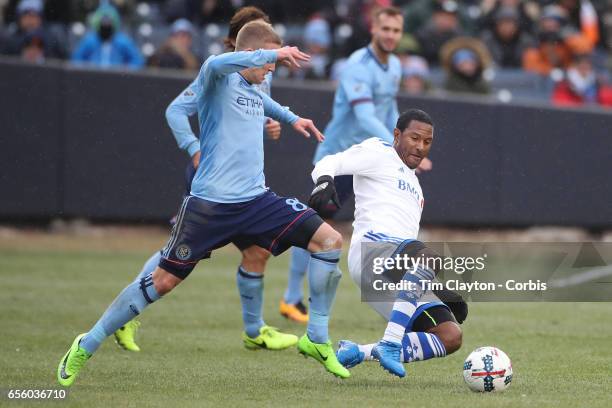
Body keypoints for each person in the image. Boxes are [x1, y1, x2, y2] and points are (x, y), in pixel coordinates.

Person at [57, 21, 351, 388]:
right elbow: (214, 65)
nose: (272, 70)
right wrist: (276, 52)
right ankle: (87, 342)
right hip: (209, 206)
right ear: (250, 53)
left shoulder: (252, 87)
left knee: (329, 241)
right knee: (162, 281)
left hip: (256, 200)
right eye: (268, 62)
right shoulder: (215, 77)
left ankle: (317, 338)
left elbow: (264, 102)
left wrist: (293, 118)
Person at [112, 6, 292, 355]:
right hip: (212, 178)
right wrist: (194, 148)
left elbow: (253, 110)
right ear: (243, 41)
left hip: (245, 185)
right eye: (262, 40)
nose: (269, 51)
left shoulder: (262, 75)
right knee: (175, 256)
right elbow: (176, 110)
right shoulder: (220, 72)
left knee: (257, 252)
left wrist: (268, 125)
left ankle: (255, 331)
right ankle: (126, 315)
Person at [285, 7, 433, 326]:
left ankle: (389, 294)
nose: (391, 35)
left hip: (373, 161)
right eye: (386, 29)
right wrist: (399, 149)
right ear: (373, 30)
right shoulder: (357, 65)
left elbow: (389, 108)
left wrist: (401, 143)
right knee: (314, 225)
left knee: (375, 226)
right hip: (341, 157)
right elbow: (365, 117)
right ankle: (291, 296)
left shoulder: (394, 65)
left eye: (397, 30)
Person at [307, 109, 466, 378]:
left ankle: (361, 351)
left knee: (450, 336)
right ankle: (391, 343)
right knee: (429, 258)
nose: (420, 146)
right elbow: (330, 161)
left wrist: (435, 288)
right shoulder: (379, 151)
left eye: (426, 142)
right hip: (373, 252)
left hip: (394, 271)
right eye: (414, 138)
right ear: (396, 134)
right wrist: (323, 182)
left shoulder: (415, 185)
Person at [71, 2, 143, 70]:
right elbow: (76, 60)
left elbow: (137, 60)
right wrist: (86, 69)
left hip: (117, 78)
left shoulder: (122, 42)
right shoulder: (90, 41)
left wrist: (126, 70)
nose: (106, 26)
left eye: (108, 23)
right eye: (103, 23)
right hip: (93, 76)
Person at [1, 0, 66, 61]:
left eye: (34, 16)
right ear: (19, 18)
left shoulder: (51, 40)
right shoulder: (9, 39)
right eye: (26, 15)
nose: (30, 20)